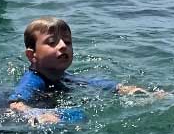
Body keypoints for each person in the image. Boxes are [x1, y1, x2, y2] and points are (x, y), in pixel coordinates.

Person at [9, 17, 153, 124]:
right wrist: (37, 114)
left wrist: (122, 89)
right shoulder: (32, 81)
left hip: (51, 100)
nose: (63, 46)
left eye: (68, 42)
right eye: (52, 42)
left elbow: (89, 83)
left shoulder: (62, 76)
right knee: (76, 116)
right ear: (31, 55)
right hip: (26, 117)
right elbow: (16, 104)